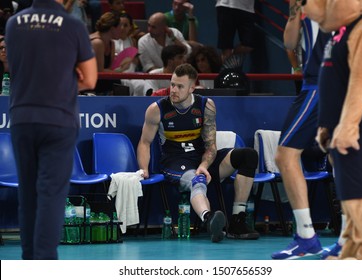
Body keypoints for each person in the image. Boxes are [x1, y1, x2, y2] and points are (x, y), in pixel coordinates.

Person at [5, 0, 97, 259]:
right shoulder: (73, 25)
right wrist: (65, 78)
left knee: (28, 191)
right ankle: (44, 263)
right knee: (51, 193)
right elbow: (89, 79)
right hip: (58, 118)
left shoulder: (13, 23)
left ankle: (29, 259)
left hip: (22, 116)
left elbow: (17, 68)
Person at [137, 63, 259, 242]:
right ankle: (209, 219)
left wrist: (204, 165)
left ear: (192, 87)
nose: (174, 90)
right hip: (175, 162)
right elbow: (144, 143)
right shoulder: (157, 109)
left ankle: (237, 220)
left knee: (248, 155)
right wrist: (143, 169)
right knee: (197, 179)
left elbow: (211, 145)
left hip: (202, 160)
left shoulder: (205, 105)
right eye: (172, 84)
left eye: (180, 86)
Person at [305, 0, 362, 260]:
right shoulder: (342, 30)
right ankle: (353, 250)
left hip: (359, 128)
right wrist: (327, 126)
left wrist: (349, 125)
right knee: (349, 192)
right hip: (341, 127)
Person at [271, 0, 332, 259]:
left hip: (323, 84)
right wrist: (295, 10)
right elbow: (289, 43)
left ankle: (307, 235)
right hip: (311, 85)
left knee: (285, 155)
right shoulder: (302, 6)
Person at [90, 11, 122, 95]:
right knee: (117, 82)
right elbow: (99, 72)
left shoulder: (112, 43)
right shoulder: (97, 42)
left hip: (101, 83)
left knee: (118, 83)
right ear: (112, 28)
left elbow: (110, 70)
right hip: (87, 82)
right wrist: (120, 72)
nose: (121, 29)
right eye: (120, 26)